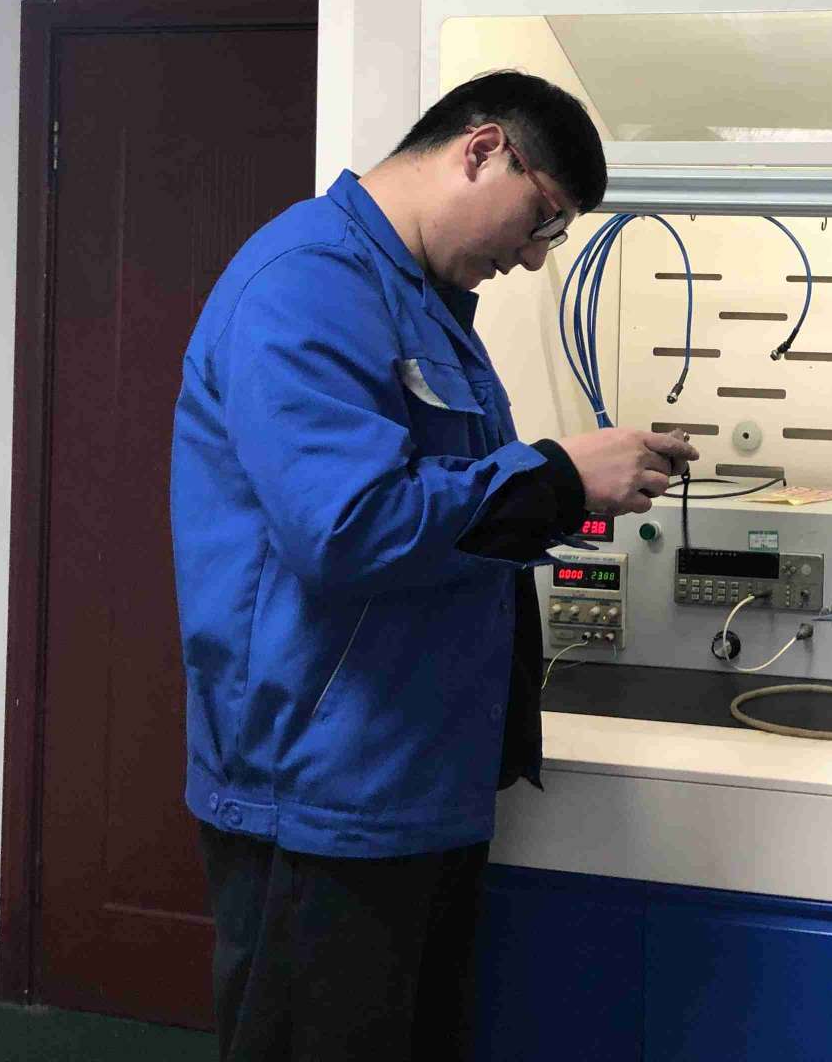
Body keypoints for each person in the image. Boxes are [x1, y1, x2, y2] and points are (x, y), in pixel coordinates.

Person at [171, 71, 696, 1062]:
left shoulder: (424, 303)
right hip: (322, 792)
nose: (534, 256)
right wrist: (559, 478)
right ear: (482, 149)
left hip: (413, 777)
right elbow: (346, 527)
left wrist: (560, 483)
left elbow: (448, 512)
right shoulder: (309, 283)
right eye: (542, 219)